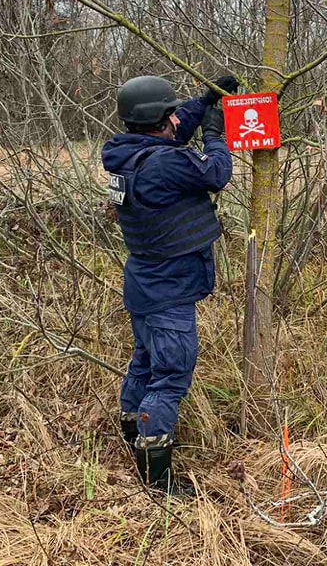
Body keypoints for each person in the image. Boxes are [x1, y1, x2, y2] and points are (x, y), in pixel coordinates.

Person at [101, 74, 237, 496]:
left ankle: (131, 439)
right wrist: (215, 134)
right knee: (172, 375)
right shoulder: (164, 163)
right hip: (169, 292)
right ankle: (156, 480)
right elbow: (217, 172)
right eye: (172, 112)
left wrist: (205, 100)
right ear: (160, 119)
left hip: (145, 283)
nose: (179, 119)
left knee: (144, 362)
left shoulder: (129, 157)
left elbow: (177, 127)